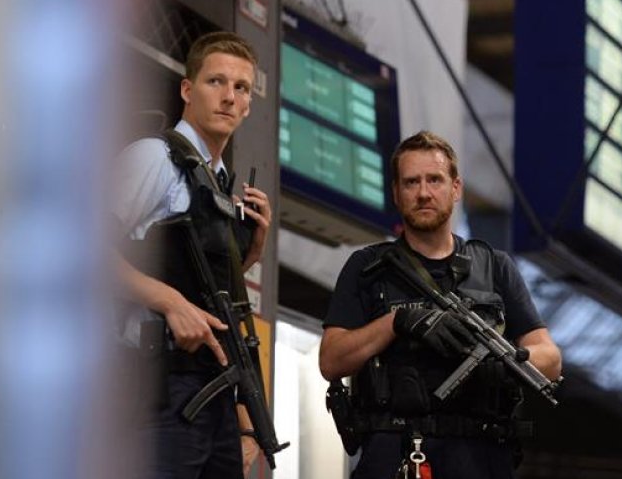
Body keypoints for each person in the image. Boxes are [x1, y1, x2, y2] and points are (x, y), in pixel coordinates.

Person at [319, 130, 562, 479]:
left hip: (481, 457)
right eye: (411, 182)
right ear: (396, 194)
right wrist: (397, 322)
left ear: (456, 187)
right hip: (395, 453)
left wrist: (499, 359)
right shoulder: (368, 267)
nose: (423, 193)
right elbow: (331, 361)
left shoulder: (494, 267)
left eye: (434, 180)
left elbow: (549, 360)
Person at [114, 31, 272, 479]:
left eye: (241, 88)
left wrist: (252, 250)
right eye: (215, 82)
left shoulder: (217, 181)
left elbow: (200, 289)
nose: (228, 97)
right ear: (187, 89)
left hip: (211, 386)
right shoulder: (155, 158)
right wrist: (168, 301)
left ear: (248, 104)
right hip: (155, 381)